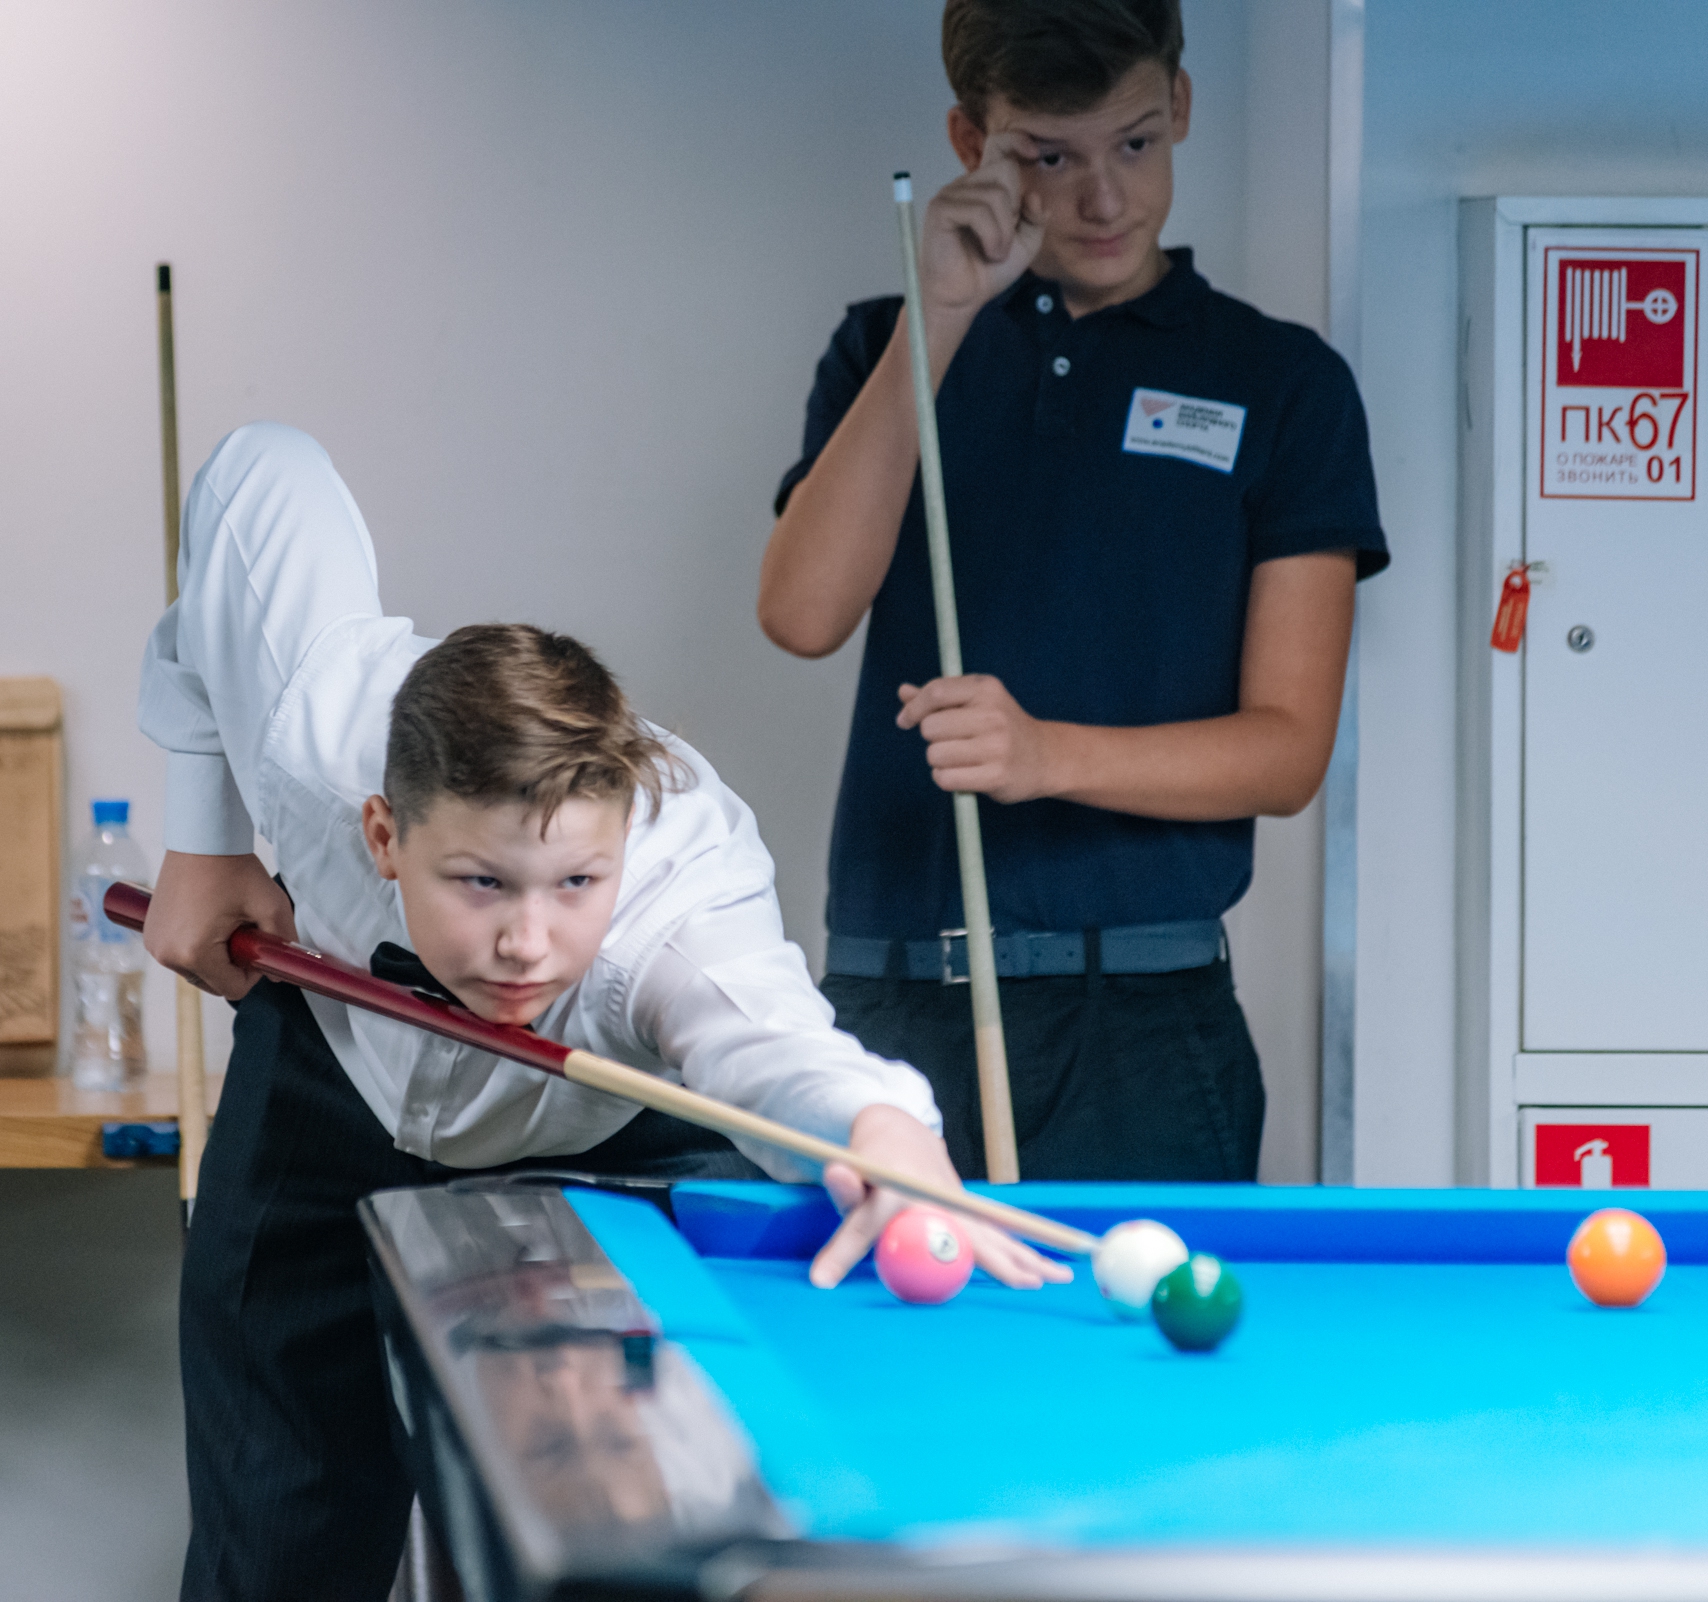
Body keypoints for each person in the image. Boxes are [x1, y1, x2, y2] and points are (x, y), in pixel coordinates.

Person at [135, 422, 1068, 1602]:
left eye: (576, 882)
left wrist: (879, 1129)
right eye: (481, 883)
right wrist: (205, 838)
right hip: (329, 1075)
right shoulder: (316, 737)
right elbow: (257, 473)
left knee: (602, 1542)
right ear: (382, 833)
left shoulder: (679, 912)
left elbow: (772, 1042)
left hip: (602, 1143)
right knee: (275, 1553)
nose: (528, 942)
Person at [758, 0, 1389, 1183]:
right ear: (972, 143)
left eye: (1134, 143)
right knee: (875, 1314)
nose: (1104, 198)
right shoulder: (887, 344)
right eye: (1051, 157)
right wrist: (942, 316)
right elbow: (802, 614)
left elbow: (1286, 753)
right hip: (889, 1003)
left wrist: (1044, 754)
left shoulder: (1283, 382)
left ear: (1181, 105)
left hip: (1142, 1018)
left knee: (1137, 1316)